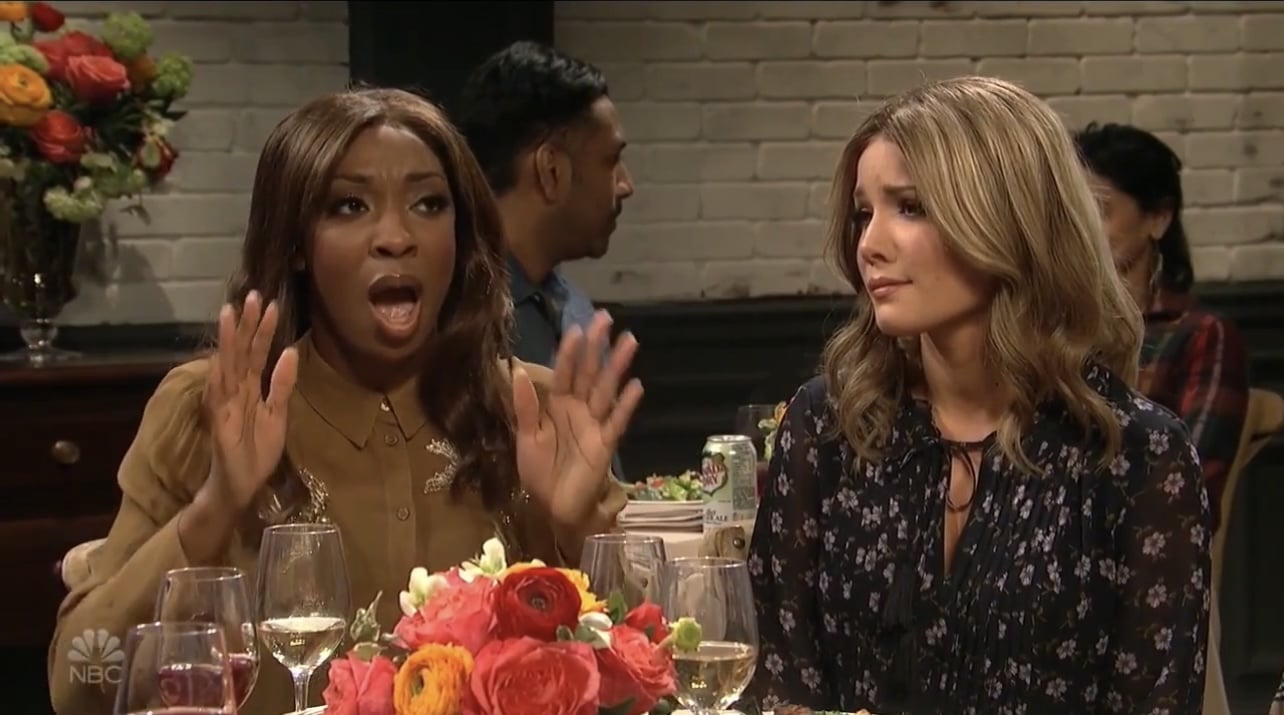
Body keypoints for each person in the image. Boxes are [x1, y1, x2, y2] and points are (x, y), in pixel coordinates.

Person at [47, 88, 642, 715]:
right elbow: (78, 687)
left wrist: (581, 532)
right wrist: (215, 506)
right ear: (297, 244)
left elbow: (642, 689)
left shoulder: (533, 410)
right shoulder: (208, 409)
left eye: (428, 204)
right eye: (350, 206)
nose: (397, 237)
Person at [747, 77, 1211, 714]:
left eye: (910, 207)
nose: (870, 245)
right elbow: (779, 680)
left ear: (1009, 221)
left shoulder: (1135, 454)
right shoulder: (829, 424)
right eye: (863, 213)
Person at [1074, 121, 1249, 535]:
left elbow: (1189, 490)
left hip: (1137, 549)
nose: (1081, 229)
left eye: (1099, 210)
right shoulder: (1057, 328)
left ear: (1158, 218)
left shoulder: (1201, 335)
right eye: (1072, 211)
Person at [452, 40, 634, 370]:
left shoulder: (577, 313)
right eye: (611, 161)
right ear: (551, 171)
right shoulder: (454, 325)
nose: (626, 185)